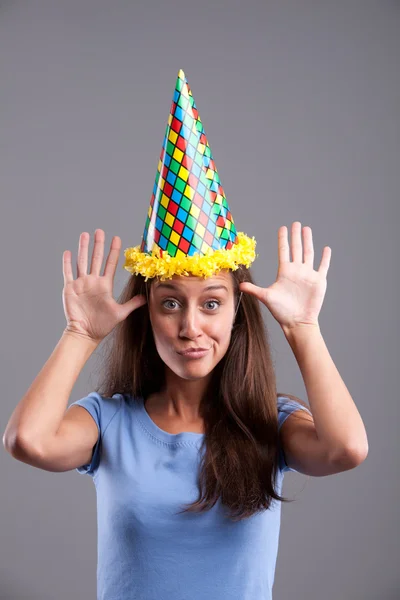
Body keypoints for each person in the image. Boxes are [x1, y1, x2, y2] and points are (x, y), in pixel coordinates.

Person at [3, 70, 368, 600]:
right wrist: (80, 332)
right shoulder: (110, 422)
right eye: (170, 302)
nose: (190, 326)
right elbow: (28, 441)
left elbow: (346, 449)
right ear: (146, 312)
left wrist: (303, 328)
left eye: (212, 304)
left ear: (237, 313)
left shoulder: (271, 425)